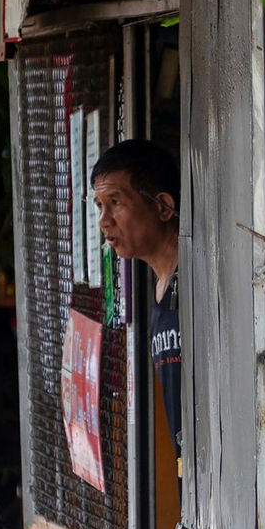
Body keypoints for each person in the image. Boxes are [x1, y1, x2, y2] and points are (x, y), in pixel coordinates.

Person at [90, 140, 182, 467]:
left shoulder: (197, 279)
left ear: (163, 207)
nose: (104, 221)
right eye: (99, 206)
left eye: (115, 202)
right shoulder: (159, 290)